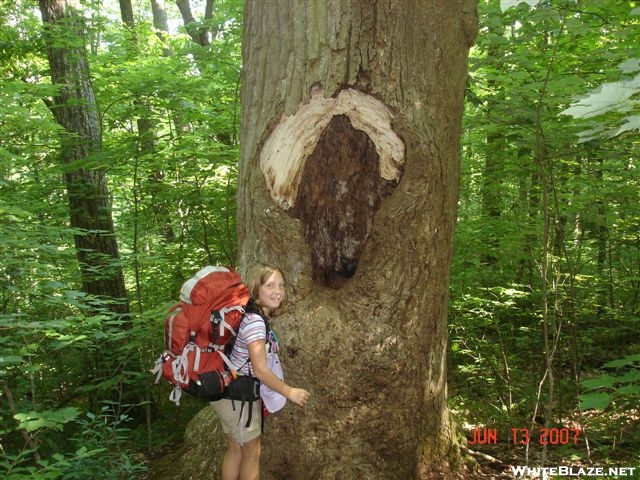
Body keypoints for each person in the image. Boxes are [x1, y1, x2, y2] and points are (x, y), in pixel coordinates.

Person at [211, 263, 310, 480]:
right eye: (271, 285)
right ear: (257, 288)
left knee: (235, 450)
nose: (279, 292)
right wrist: (289, 392)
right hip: (239, 397)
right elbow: (261, 370)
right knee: (251, 453)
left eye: (282, 286)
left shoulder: (246, 314)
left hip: (225, 392)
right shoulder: (255, 321)